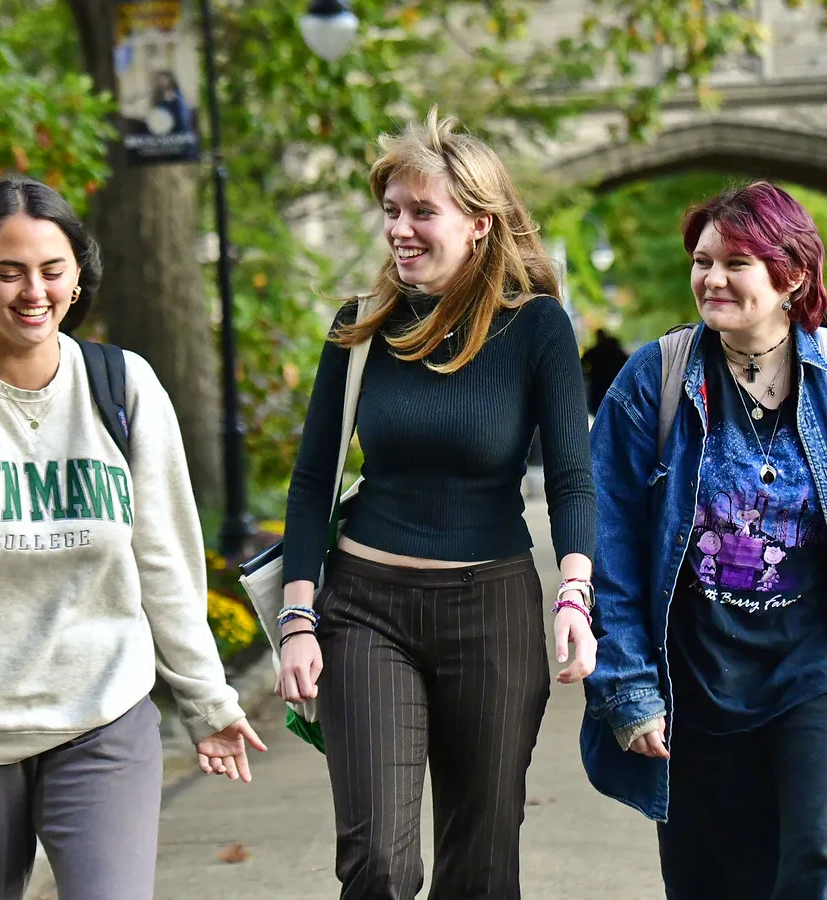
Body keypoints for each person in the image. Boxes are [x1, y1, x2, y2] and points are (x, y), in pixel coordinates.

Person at [0, 175, 264, 900]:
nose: (34, 291)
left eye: (51, 270)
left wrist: (207, 700)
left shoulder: (123, 388)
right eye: (9, 271)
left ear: (76, 276)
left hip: (101, 717)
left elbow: (166, 562)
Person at [277, 107, 598, 899]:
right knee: (379, 865)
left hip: (487, 612)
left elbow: (570, 477)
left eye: (423, 212)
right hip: (365, 611)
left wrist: (574, 591)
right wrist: (295, 618)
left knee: (481, 865)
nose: (400, 230)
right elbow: (313, 477)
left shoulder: (536, 330)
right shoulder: (359, 326)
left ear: (479, 224)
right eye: (391, 211)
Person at [582, 181, 827, 899]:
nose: (710, 278)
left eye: (735, 262)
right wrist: (627, 688)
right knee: (710, 882)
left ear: (793, 275)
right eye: (701, 260)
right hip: (695, 682)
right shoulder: (652, 380)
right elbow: (612, 550)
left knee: (812, 864)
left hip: (810, 674)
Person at [581, 328, 630, 415]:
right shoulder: (615, 351)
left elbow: (582, 364)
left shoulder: (595, 351)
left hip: (600, 384)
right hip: (613, 384)